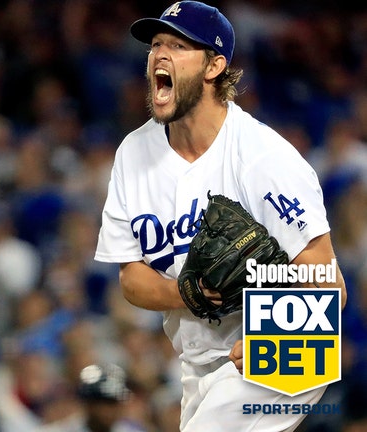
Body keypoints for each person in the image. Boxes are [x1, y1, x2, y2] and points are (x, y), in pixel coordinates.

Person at [94, 2, 346, 431]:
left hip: (293, 345)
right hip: (197, 365)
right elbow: (131, 279)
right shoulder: (133, 153)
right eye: (156, 44)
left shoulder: (264, 158)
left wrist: (274, 336)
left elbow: (328, 284)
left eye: (178, 44)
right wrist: (189, 294)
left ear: (215, 66)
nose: (160, 54)